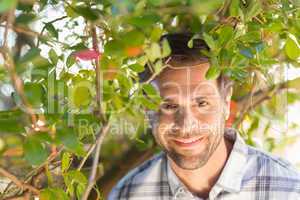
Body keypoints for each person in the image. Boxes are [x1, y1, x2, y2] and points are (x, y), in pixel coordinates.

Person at [108, 33, 300, 200]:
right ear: (145, 108)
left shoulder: (287, 189)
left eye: (202, 104)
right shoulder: (127, 194)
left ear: (226, 102)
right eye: (169, 106)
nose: (186, 125)